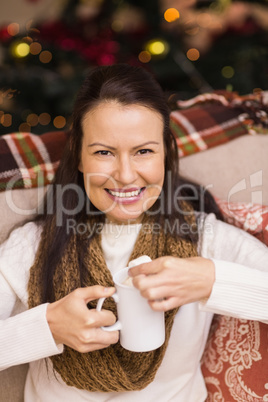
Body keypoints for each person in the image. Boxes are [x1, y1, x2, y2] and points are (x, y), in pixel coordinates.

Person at [0, 64, 267, 402]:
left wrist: (212, 281)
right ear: (78, 156)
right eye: (103, 152)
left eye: (143, 151)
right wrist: (48, 326)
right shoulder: (33, 245)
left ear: (165, 153)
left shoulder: (205, 238)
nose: (126, 175)